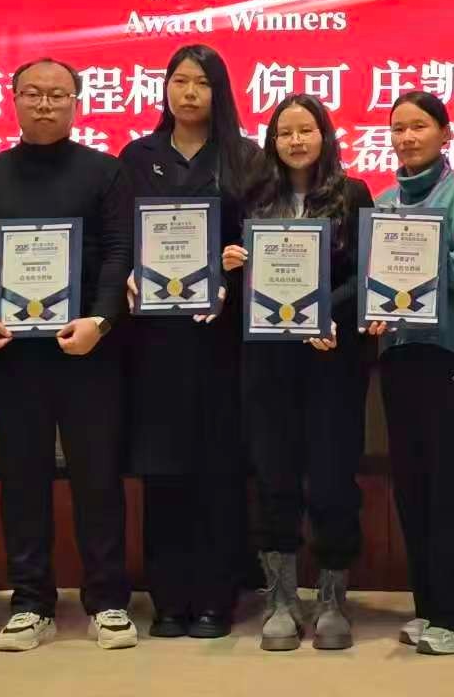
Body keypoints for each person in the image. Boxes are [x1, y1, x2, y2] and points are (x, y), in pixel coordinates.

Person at [0, 58, 138, 652]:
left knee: (97, 478)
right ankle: (31, 603)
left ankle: (108, 600)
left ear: (77, 101)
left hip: (88, 350)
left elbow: (119, 253)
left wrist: (101, 321)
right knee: (22, 479)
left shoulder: (105, 172)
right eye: (32, 93)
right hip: (12, 353)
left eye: (58, 94)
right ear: (12, 100)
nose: (45, 104)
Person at [115, 44, 264, 639]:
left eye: (201, 82)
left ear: (219, 91)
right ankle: (169, 598)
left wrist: (235, 272)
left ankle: (215, 597)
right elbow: (119, 238)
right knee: (164, 469)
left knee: (218, 468)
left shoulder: (246, 158)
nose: (189, 92)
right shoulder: (138, 156)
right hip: (154, 341)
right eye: (179, 80)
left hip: (220, 337)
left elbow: (268, 241)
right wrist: (126, 273)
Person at [240, 94, 377, 651]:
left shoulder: (353, 193)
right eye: (285, 132)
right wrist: (231, 263)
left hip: (332, 358)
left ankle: (331, 598)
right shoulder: (253, 197)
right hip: (268, 362)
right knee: (274, 476)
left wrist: (322, 312)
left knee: (332, 478)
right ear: (272, 142)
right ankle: (280, 598)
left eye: (306, 130)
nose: (296, 141)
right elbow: (239, 277)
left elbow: (367, 272)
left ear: (325, 135)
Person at [372, 91, 454, 657]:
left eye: (419, 126)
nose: (407, 137)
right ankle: (430, 607)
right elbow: (373, 281)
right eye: (398, 128)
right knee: (414, 487)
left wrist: (412, 262)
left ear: (445, 133)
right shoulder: (382, 202)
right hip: (401, 355)